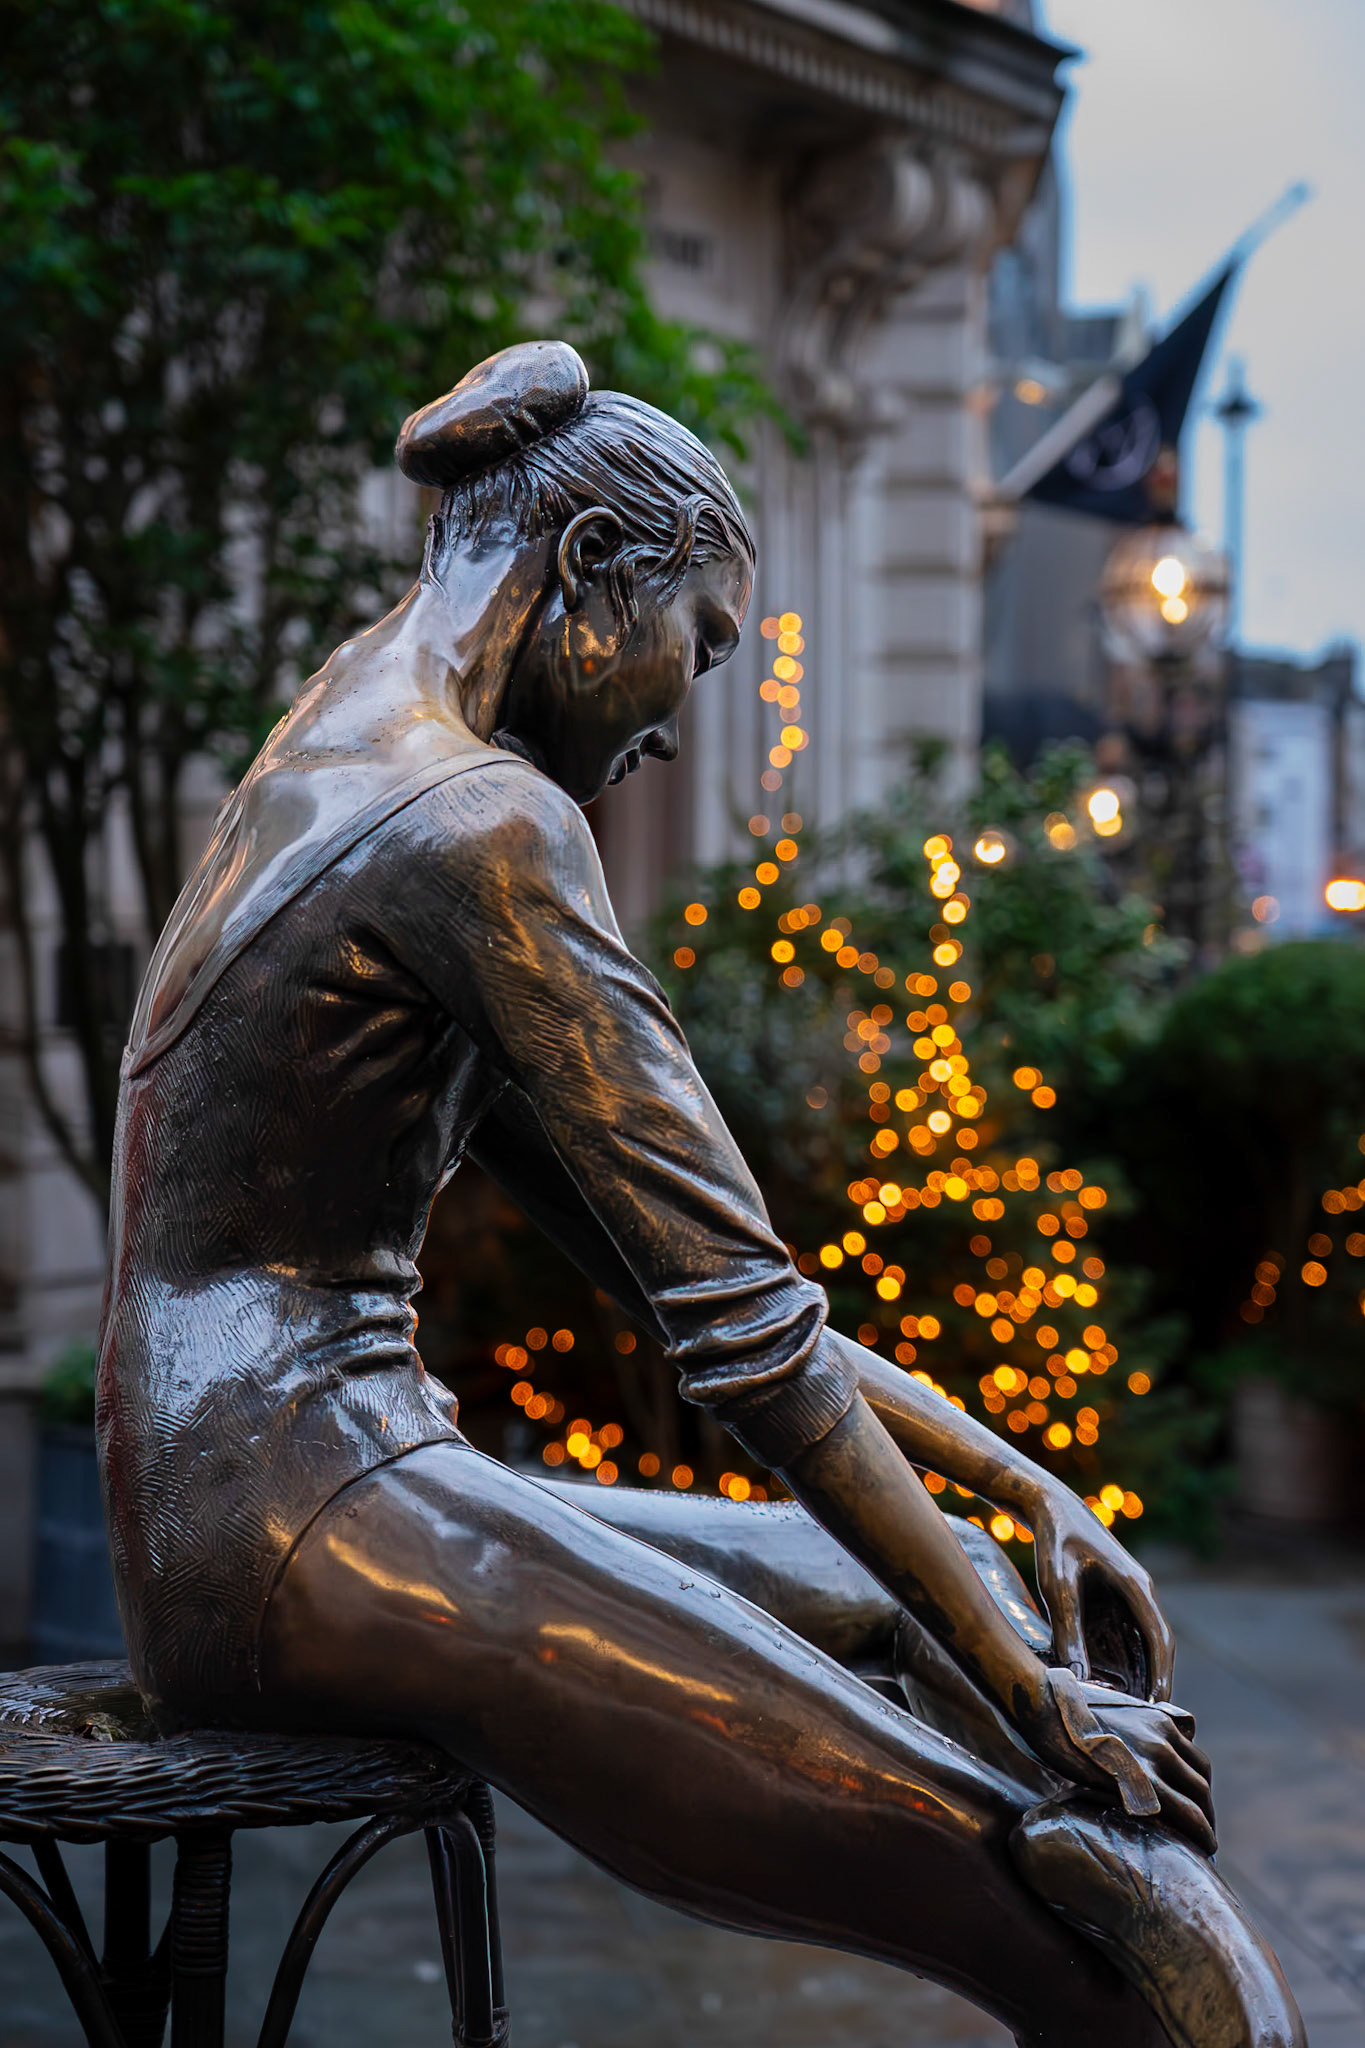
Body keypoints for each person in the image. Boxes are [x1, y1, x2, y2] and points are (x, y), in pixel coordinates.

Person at [98, 341, 1304, 2048]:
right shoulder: (473, 821)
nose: (679, 720)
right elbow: (748, 1344)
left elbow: (698, 1290)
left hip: (291, 1486)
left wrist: (1012, 1486)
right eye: (704, 646)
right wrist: (1040, 1705)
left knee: (934, 1604)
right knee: (1122, 1929)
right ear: (591, 570)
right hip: (291, 1520)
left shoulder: (345, 747)